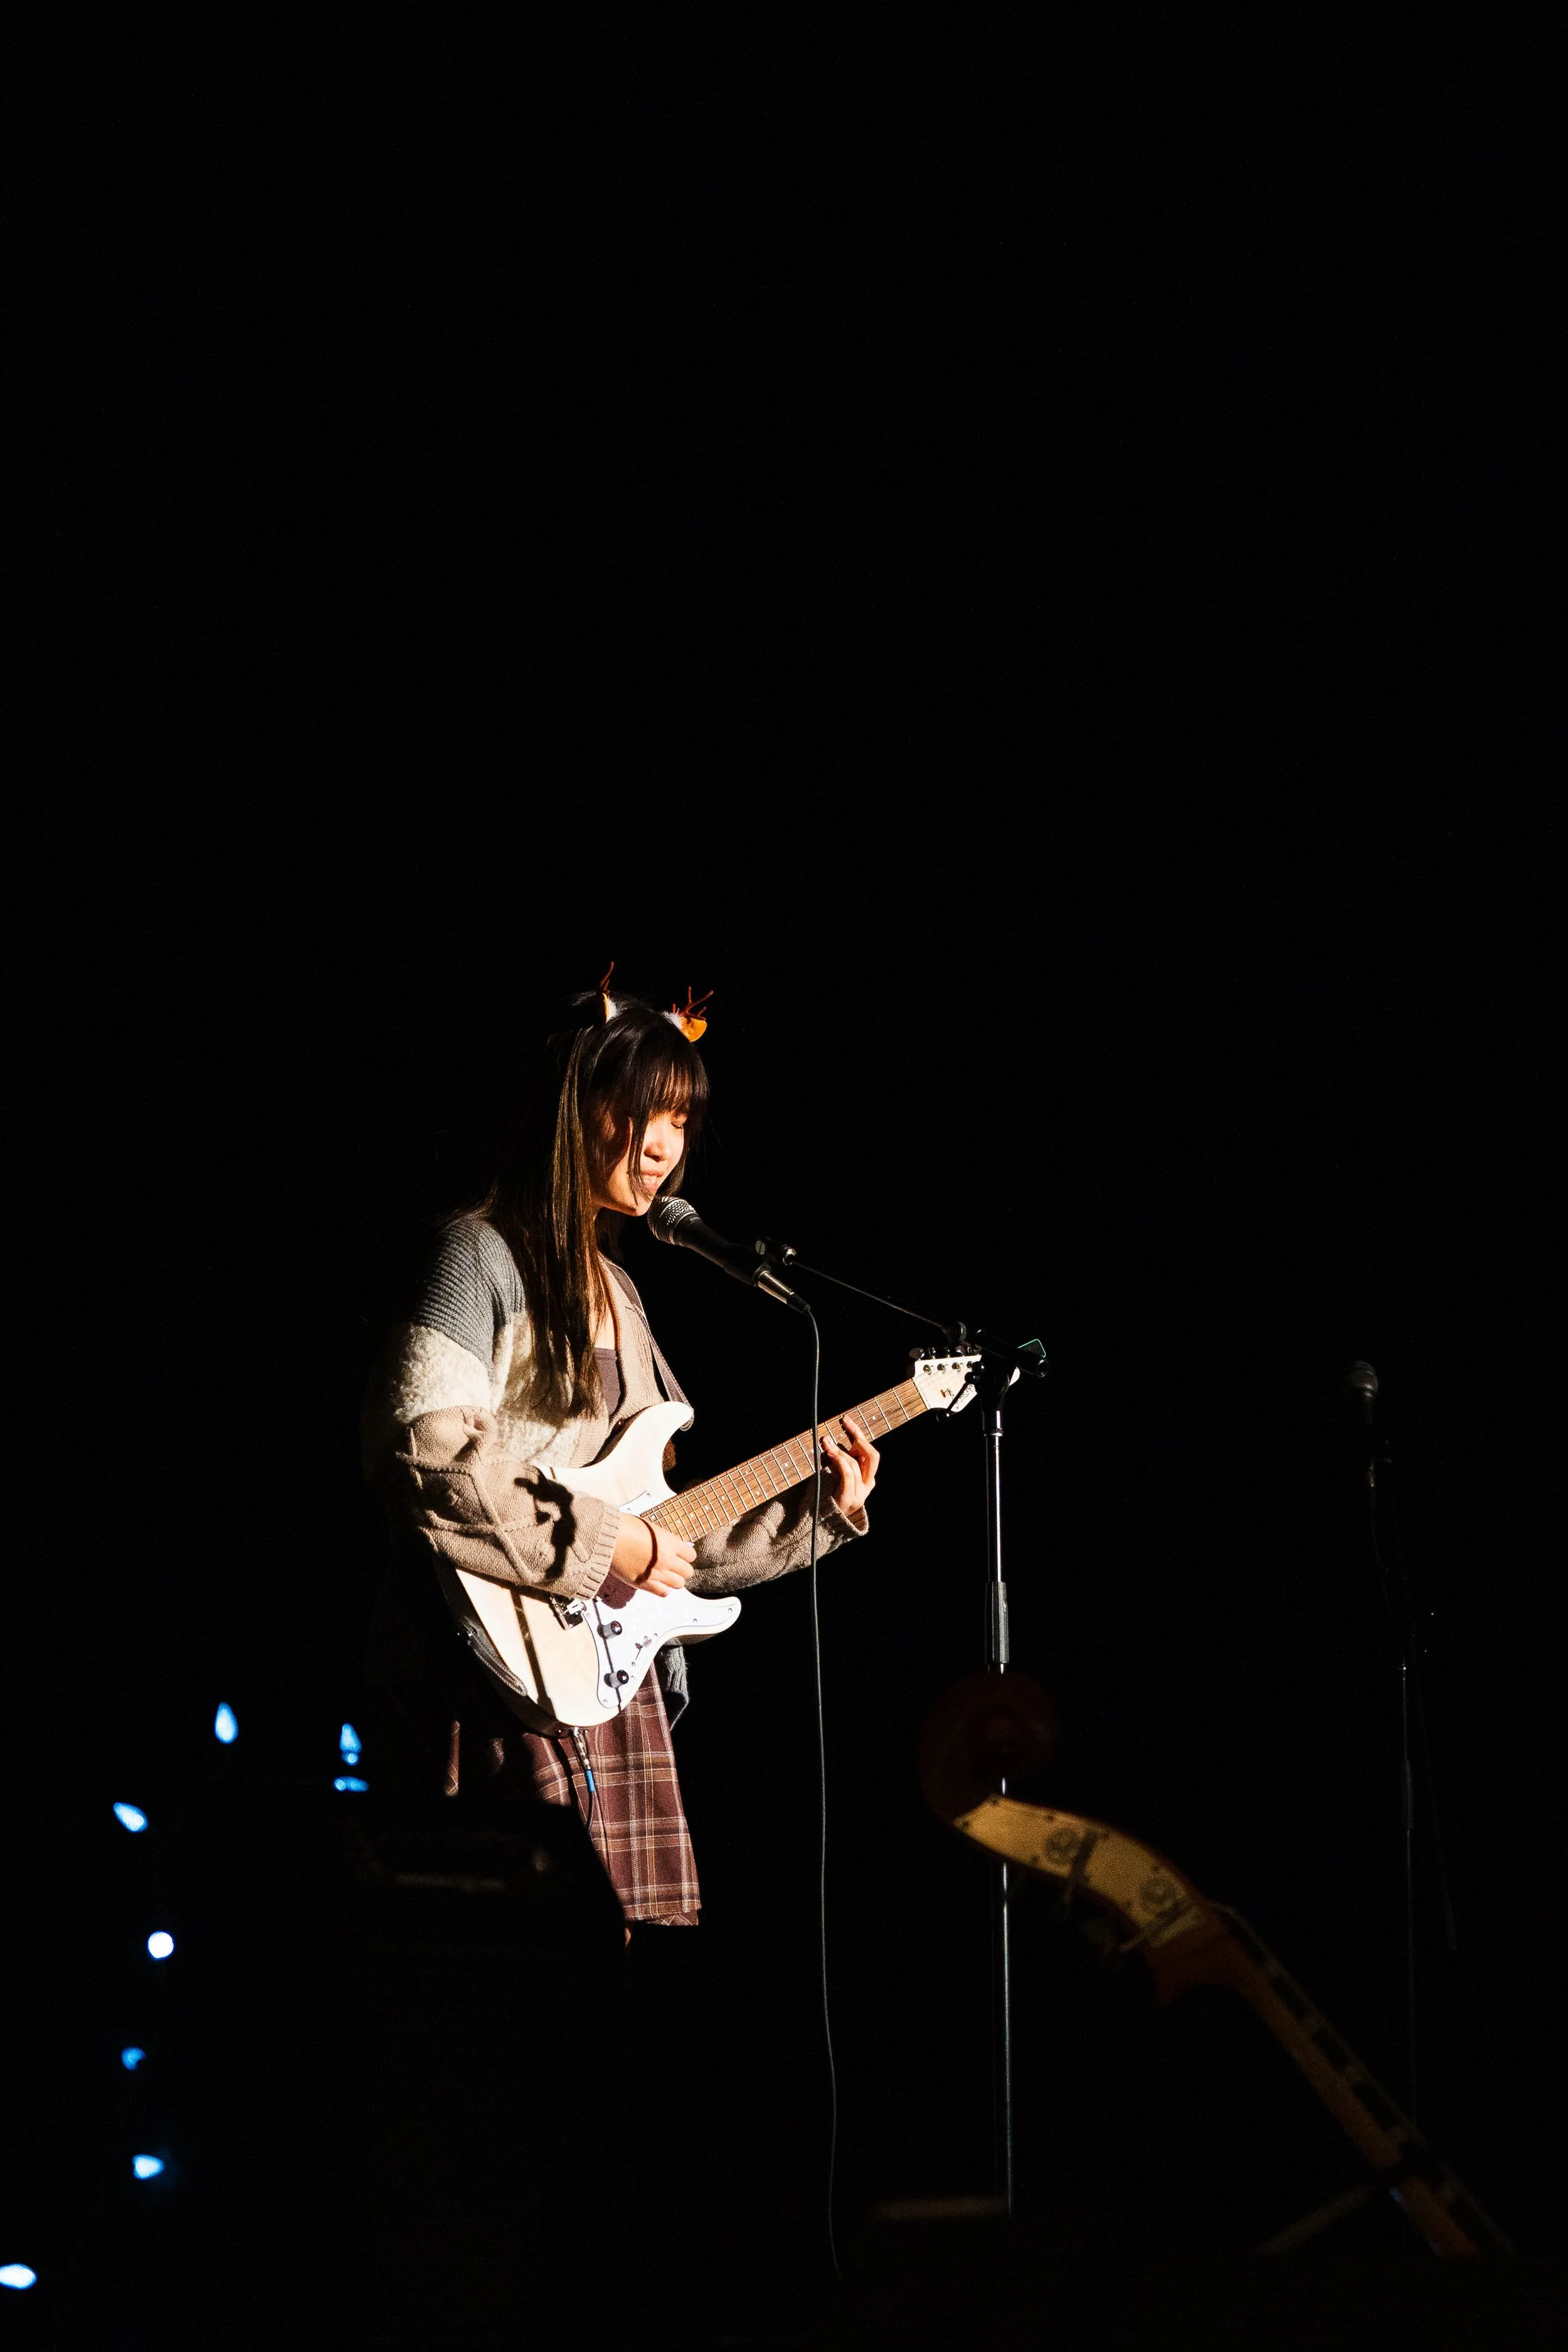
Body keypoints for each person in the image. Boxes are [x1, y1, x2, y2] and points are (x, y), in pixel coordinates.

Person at [360, 985, 880, 1926]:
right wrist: (608, 1545)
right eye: (639, 1111)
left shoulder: (626, 1297)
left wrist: (814, 1515)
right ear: (571, 1108)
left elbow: (664, 1533)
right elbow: (422, 1450)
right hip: (487, 1679)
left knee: (620, 2018)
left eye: (680, 1117)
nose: (663, 1142)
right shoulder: (474, 1256)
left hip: (604, 1687)